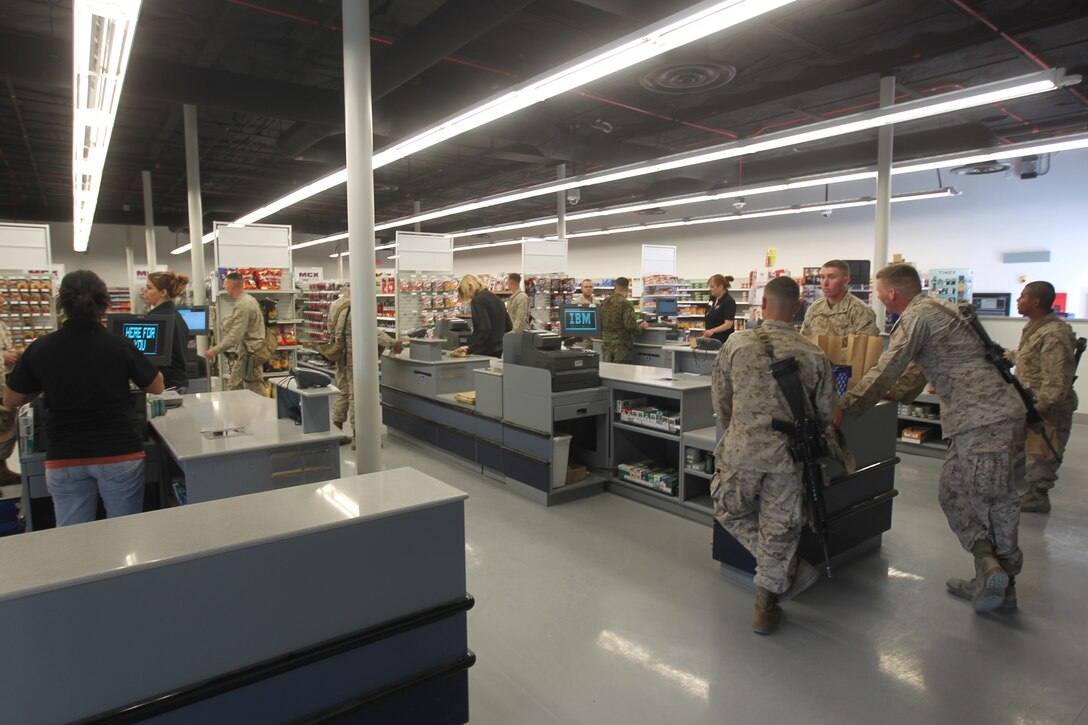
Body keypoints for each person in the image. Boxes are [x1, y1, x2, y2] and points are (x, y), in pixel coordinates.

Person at [837, 264, 1025, 613]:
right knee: (952, 492)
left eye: (879, 291)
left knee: (992, 500)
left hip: (985, 419)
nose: (878, 297)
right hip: (977, 420)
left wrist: (846, 407)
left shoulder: (917, 316)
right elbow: (913, 374)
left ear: (892, 293)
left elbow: (890, 365)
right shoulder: (941, 311)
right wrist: (893, 397)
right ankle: (988, 565)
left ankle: (1005, 584)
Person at [711, 276, 834, 635]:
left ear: (762, 305)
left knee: (728, 508)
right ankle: (766, 604)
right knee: (780, 527)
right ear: (798, 309)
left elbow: (721, 402)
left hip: (742, 451)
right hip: (790, 456)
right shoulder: (815, 354)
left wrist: (742, 429)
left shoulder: (737, 343)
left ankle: (782, 573)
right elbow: (825, 413)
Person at [3, 270, 164, 526]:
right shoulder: (118, 345)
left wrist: (42, 386)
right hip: (118, 453)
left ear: (61, 304)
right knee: (126, 531)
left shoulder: (40, 348)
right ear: (104, 303)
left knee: (75, 540)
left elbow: (11, 399)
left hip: (65, 456)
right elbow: (156, 387)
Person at [1008, 281, 1078, 514]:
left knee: (1043, 450)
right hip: (1030, 401)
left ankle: (1038, 495)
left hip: (1047, 406)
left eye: (1022, 296)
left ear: (1036, 301)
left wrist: (1040, 409)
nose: (1018, 300)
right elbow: (1026, 357)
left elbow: (1057, 380)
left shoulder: (1054, 334)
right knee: (1020, 447)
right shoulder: (1036, 328)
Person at [327, 285, 404, 437]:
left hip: (340, 353)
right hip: (355, 354)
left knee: (342, 390)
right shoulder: (358, 307)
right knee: (356, 394)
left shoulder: (335, 304)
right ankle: (358, 435)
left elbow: (330, 327)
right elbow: (372, 332)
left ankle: (335, 430)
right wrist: (392, 343)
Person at [204, 272, 266, 395]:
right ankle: (240, 413)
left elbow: (236, 335)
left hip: (250, 354)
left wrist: (215, 350)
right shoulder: (247, 300)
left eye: (225, 284)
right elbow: (236, 325)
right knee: (234, 386)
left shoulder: (244, 304)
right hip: (247, 353)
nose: (224, 287)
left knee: (254, 390)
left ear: (232, 285)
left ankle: (266, 413)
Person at [800, 259, 880, 336]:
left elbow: (867, 346)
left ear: (845, 281)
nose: (825, 283)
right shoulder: (815, 308)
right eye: (822, 277)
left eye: (831, 277)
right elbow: (804, 340)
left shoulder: (860, 311)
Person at [142, 271, 190, 392]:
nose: (144, 291)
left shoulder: (157, 319)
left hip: (165, 385)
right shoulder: (176, 315)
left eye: (149, 288)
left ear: (163, 292)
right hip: (178, 383)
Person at [454, 274, 511, 357]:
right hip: (499, 349)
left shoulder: (478, 300)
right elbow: (509, 326)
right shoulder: (497, 298)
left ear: (470, 288)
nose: (468, 297)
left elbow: (484, 328)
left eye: (466, 294)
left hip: (484, 351)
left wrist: (471, 348)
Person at [0, 291, 23, 484]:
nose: (2, 302)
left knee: (6, 426)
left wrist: (12, 354)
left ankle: (2, 468)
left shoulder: (2, 325)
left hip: (3, 384)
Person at [599, 277, 649, 363]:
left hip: (606, 345)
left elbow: (600, 323)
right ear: (628, 288)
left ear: (615, 286)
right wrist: (642, 327)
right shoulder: (626, 304)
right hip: (621, 346)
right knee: (621, 373)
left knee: (607, 373)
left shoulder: (604, 302)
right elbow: (630, 326)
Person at [702, 274, 737, 343]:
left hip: (723, 341)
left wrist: (713, 330)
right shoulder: (712, 298)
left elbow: (728, 324)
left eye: (712, 287)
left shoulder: (729, 301)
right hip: (710, 339)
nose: (710, 289)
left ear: (720, 287)